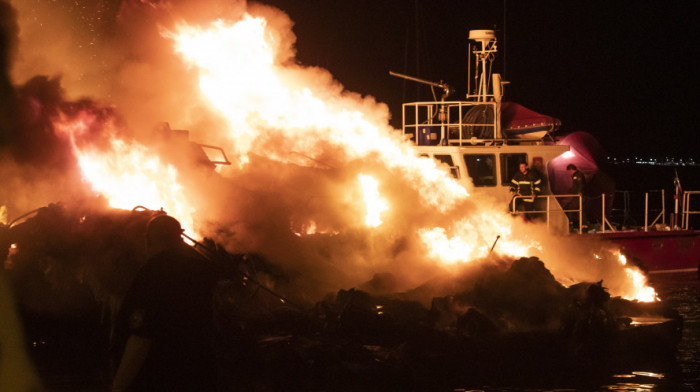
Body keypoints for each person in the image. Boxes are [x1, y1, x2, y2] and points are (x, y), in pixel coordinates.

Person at [112, 214, 222, 392]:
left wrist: (118, 386)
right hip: (201, 373)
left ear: (148, 240)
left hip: (162, 377)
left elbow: (141, 338)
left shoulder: (152, 274)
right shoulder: (204, 271)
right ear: (180, 238)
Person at [565, 164, 586, 231]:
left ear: (571, 170)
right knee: (580, 210)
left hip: (579, 196)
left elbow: (580, 184)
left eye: (568, 171)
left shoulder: (577, 175)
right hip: (578, 196)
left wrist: (579, 192)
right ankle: (581, 225)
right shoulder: (576, 175)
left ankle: (570, 224)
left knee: (571, 208)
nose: (568, 173)